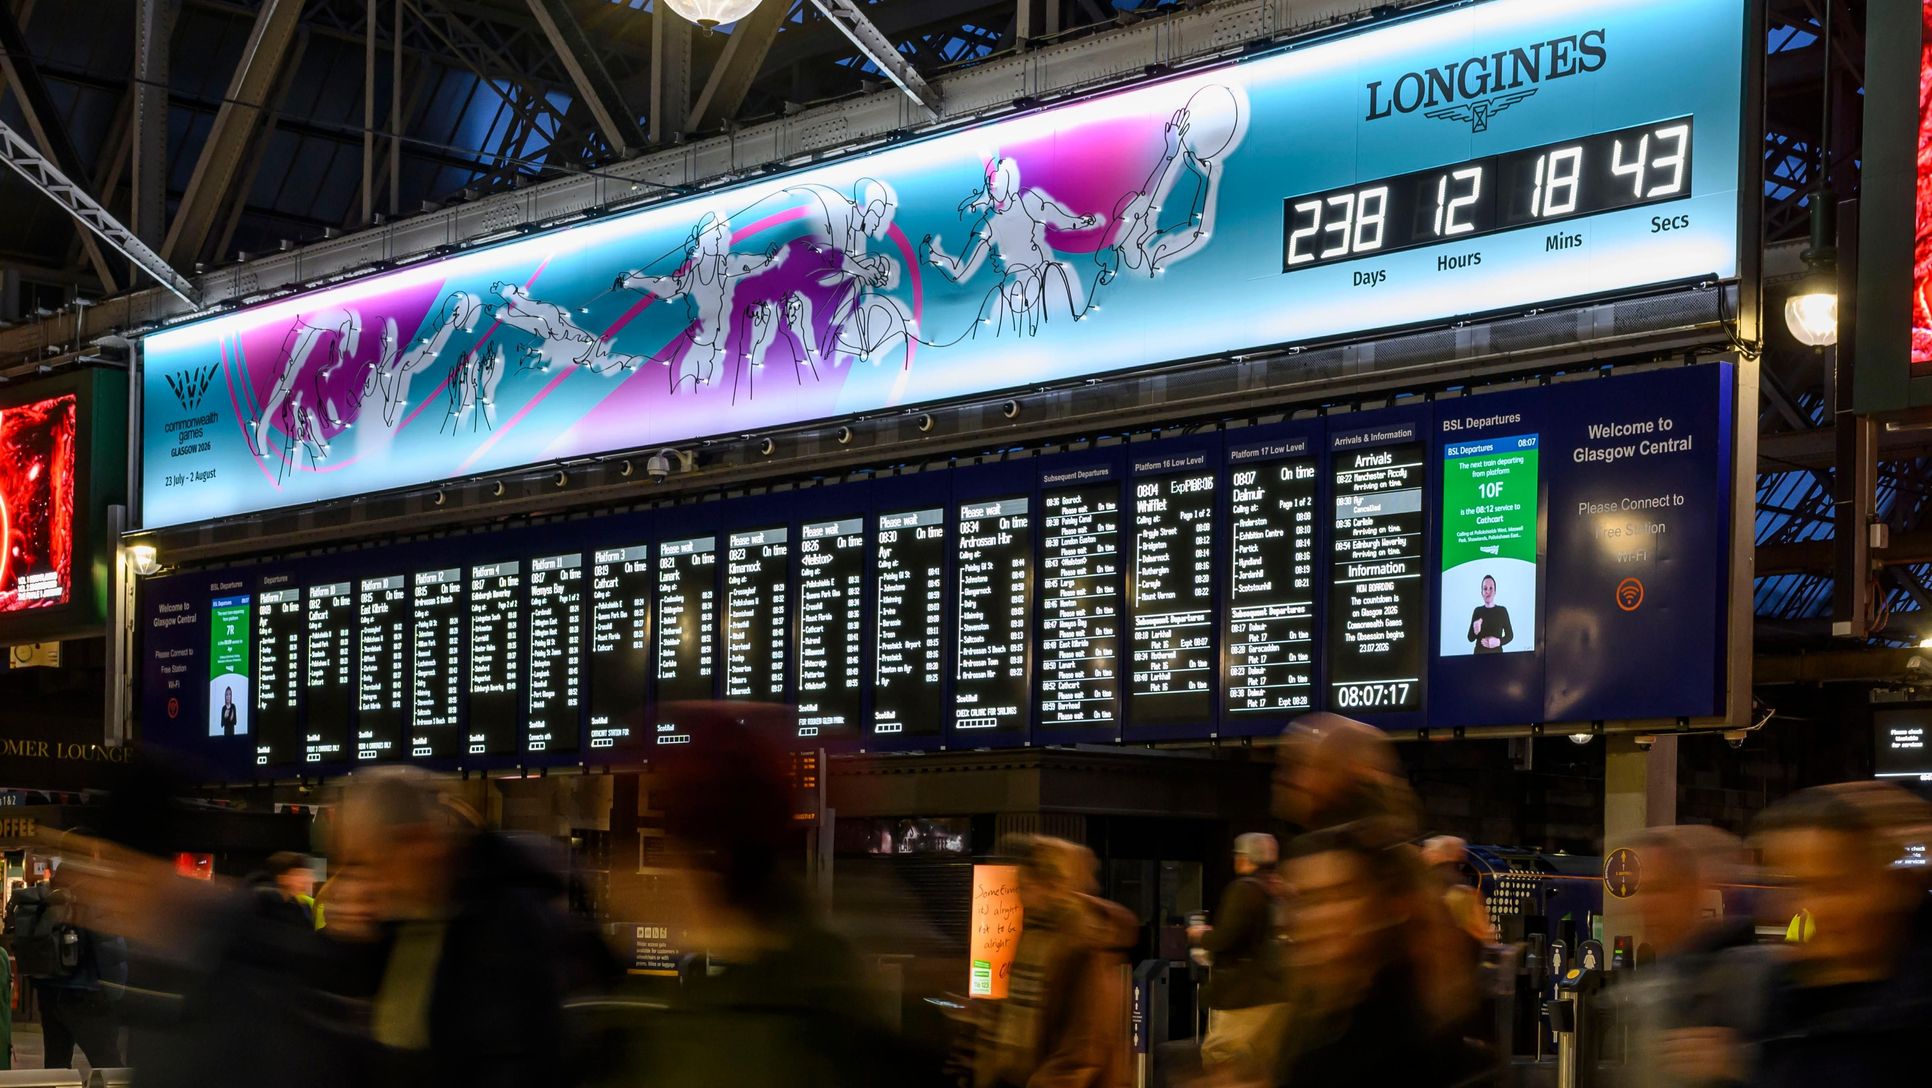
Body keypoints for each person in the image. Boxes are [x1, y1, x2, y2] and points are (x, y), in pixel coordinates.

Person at [330, 767, 580, 1088]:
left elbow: (515, 1063)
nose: (366, 884)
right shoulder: (399, 925)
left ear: (416, 840)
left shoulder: (506, 923)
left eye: (370, 863)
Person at [1746, 783, 1932, 1088]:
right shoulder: (1774, 1004)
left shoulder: (1913, 1023)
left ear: (1890, 887)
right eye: (1783, 886)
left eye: (1831, 887)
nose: (1802, 909)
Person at [1273, 830, 1483, 1088]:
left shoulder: (1408, 1028)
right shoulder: (1311, 1012)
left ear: (1382, 905)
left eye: (1341, 894)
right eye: (1304, 898)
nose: (1318, 915)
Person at [1612, 825, 1772, 1088]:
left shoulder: (1757, 977)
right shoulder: (1654, 982)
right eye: (1642, 890)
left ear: (1699, 889)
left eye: (1662, 888)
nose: (1645, 905)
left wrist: (1738, 1063)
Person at [976, 835, 1135, 1088]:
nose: (1021, 897)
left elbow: (1087, 1038)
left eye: (1027, 888)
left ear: (1053, 884)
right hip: (1026, 1075)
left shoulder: (1085, 938)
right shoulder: (1036, 932)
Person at [7, 859, 126, 1070]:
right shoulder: (94, 902)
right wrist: (116, 993)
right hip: (86, 997)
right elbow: (110, 951)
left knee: (55, 1066)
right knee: (108, 1066)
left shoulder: (43, 900)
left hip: (48, 996)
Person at [1190, 832, 1289, 1078]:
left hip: (1244, 996)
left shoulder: (1244, 890)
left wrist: (1200, 935)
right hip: (1278, 994)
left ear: (1246, 858)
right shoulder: (1280, 890)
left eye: (1238, 855)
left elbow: (1226, 938)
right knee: (1264, 1066)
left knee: (1220, 1056)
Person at [252, 851, 319, 929]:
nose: (309, 881)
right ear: (282, 878)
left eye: (310, 875)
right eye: (301, 874)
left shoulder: (305, 906)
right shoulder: (260, 904)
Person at [1466, 575, 1514, 654]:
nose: (1488, 591)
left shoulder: (1502, 611)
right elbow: (1470, 638)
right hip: (1479, 658)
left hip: (1498, 658)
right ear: (1482, 593)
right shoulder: (1477, 611)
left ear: (1495, 591)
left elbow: (1510, 635)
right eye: (1485, 588)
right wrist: (1475, 631)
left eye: (1491, 588)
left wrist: (1498, 642)